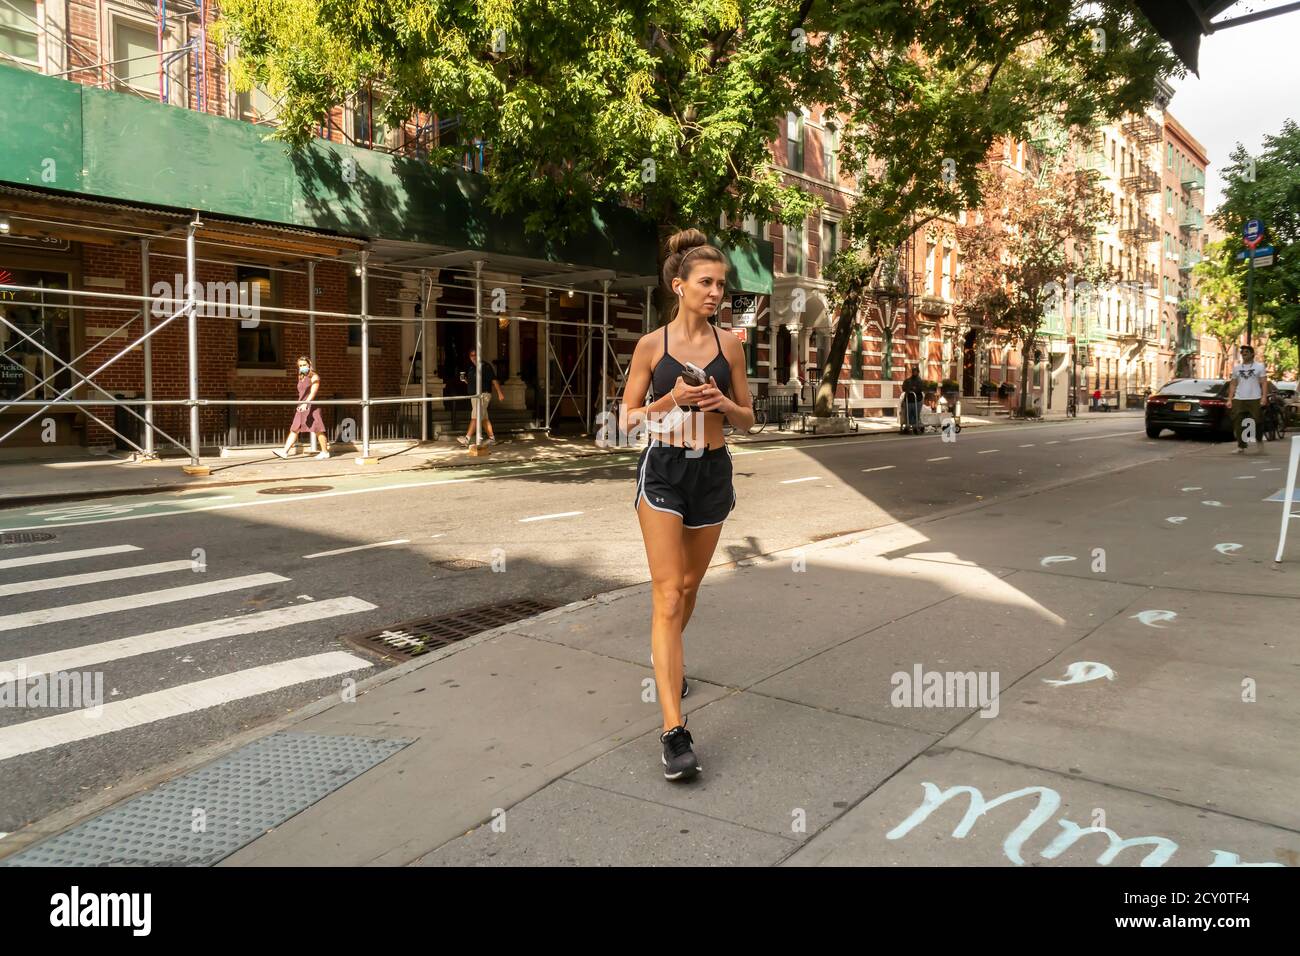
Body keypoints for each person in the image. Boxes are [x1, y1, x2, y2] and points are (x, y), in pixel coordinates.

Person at [621, 228, 754, 781]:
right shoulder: (652, 346)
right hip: (665, 472)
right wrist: (669, 400)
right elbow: (624, 419)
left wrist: (722, 401)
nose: (716, 292)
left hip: (713, 473)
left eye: (721, 284)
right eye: (706, 282)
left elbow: (749, 419)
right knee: (668, 593)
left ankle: (669, 659)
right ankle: (674, 731)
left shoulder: (731, 346)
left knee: (691, 588)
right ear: (678, 286)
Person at [274, 356, 329, 459]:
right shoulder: (301, 376)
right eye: (300, 366)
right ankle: (285, 452)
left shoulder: (314, 377)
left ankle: (325, 452)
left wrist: (306, 403)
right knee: (294, 429)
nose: (302, 367)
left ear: (309, 365)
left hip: (312, 407)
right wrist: (300, 404)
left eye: (304, 365)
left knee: (318, 430)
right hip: (301, 407)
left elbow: (313, 393)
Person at [457, 348, 505, 446]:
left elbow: (494, 380)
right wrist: (465, 380)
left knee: (475, 416)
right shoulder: (471, 368)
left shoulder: (485, 366)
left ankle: (467, 438)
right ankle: (492, 438)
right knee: (484, 418)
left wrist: (500, 392)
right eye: (471, 355)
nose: (473, 357)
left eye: (475, 355)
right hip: (474, 395)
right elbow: (472, 383)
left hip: (483, 395)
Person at [1228, 344, 1268, 454]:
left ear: (1252, 354)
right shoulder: (1237, 368)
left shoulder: (1260, 366)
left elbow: (1264, 382)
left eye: (1246, 352)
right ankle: (1241, 446)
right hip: (1239, 398)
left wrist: (1264, 397)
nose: (1244, 354)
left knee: (1258, 421)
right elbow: (1233, 384)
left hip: (1255, 398)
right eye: (1242, 352)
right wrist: (1230, 399)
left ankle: (1259, 441)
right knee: (1238, 422)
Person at [901, 365, 924, 433]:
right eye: (913, 371)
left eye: (916, 371)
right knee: (907, 414)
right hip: (908, 400)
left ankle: (916, 427)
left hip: (917, 401)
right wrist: (912, 389)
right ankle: (907, 427)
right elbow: (904, 388)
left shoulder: (919, 381)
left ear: (918, 372)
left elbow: (920, 389)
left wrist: (912, 389)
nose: (914, 372)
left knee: (915, 414)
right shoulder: (908, 380)